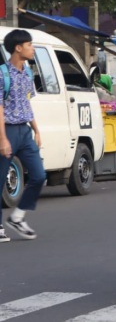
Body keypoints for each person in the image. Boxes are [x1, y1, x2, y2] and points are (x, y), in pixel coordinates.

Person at [0, 30, 46, 242]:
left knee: (38, 175)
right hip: (6, 130)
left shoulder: (28, 73)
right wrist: (3, 139)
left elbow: (27, 102)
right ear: (18, 48)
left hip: (25, 132)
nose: (32, 48)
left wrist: (36, 129)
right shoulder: (2, 74)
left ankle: (18, 216)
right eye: (29, 45)